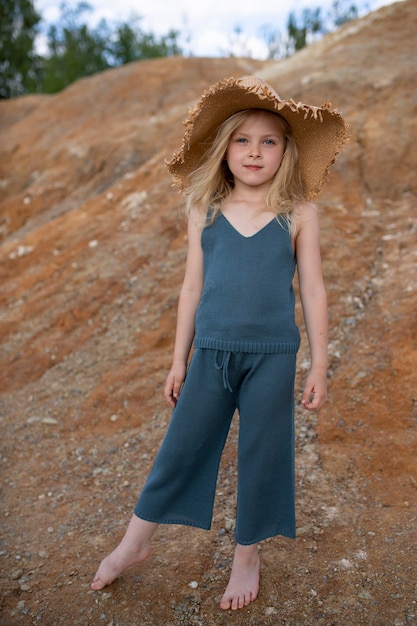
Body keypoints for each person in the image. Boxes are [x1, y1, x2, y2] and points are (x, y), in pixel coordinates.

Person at [90, 76, 348, 610]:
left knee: (262, 453)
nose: (254, 152)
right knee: (181, 447)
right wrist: (177, 358)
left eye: (269, 141)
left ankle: (246, 556)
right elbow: (191, 287)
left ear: (286, 151)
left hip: (273, 356)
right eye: (242, 141)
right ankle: (135, 543)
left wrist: (320, 364)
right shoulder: (203, 210)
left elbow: (315, 289)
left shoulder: (299, 213)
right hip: (210, 352)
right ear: (225, 148)